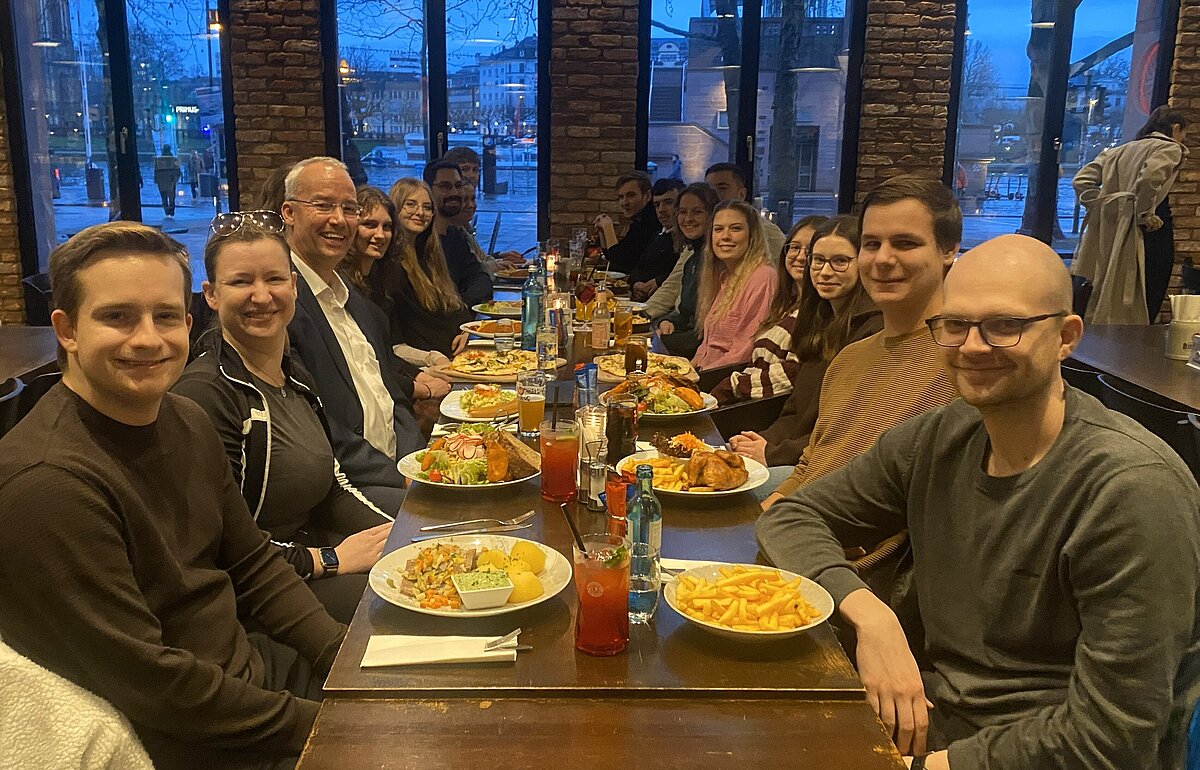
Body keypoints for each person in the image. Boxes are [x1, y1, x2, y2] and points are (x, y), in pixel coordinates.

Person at [756, 234, 1200, 770]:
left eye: (1005, 325)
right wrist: (871, 616)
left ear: (1066, 336)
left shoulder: (1131, 490)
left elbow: (1112, 738)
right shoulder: (941, 437)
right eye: (955, 324)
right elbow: (791, 515)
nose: (971, 346)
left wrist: (928, 766)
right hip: (924, 719)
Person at [0, 221, 345, 770]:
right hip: (192, 739)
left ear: (189, 323)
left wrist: (343, 657)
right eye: (117, 316)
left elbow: (253, 563)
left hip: (248, 678)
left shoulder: (183, 417)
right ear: (65, 329)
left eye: (164, 316)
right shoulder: (48, 483)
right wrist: (331, 726)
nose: (147, 339)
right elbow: (154, 686)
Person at [173, 212, 393, 624]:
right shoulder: (205, 394)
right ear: (211, 295)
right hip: (260, 592)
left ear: (293, 286)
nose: (261, 295)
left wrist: (399, 536)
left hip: (312, 556)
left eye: (274, 279)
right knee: (408, 607)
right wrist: (326, 559)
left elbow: (333, 484)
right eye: (241, 282)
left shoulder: (293, 373)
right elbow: (219, 547)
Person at [757, 174, 961, 510]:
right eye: (871, 244)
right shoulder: (849, 358)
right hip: (794, 529)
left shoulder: (962, 364)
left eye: (905, 243)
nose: (882, 259)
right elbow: (813, 463)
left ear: (949, 250)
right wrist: (771, 512)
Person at [282, 156, 423, 514]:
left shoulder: (359, 304)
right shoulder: (282, 307)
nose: (338, 220)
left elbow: (394, 397)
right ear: (288, 212)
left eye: (349, 208)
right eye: (323, 205)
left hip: (396, 472)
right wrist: (398, 476)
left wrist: (415, 462)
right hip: (343, 489)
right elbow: (318, 427)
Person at [726, 216, 882, 466]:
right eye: (818, 261)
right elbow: (796, 410)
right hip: (792, 454)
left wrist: (771, 454)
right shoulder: (818, 320)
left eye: (840, 261)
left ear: (863, 262)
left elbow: (847, 432)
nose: (825, 272)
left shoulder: (873, 329)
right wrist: (760, 441)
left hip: (826, 465)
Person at [1072, 105, 1190, 324]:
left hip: (1112, 228)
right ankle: (1133, 346)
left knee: (1108, 287)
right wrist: (1144, 214)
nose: (1184, 139)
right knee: (1146, 291)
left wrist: (1104, 204)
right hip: (1147, 230)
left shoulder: (1119, 150)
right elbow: (1149, 178)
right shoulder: (1170, 148)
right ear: (1175, 129)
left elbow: (1081, 180)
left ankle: (1101, 346)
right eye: (1184, 134)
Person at [710, 214, 827, 405]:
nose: (800, 256)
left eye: (811, 251)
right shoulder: (785, 304)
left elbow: (793, 373)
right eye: (795, 247)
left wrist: (730, 386)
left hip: (763, 410)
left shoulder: (819, 312)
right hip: (743, 398)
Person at [374, 177, 474, 360]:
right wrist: (432, 359)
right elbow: (396, 340)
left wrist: (466, 329)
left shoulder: (430, 256)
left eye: (427, 207)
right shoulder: (388, 264)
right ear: (394, 209)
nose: (420, 213)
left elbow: (453, 308)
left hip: (455, 357)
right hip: (425, 365)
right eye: (410, 205)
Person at [690, 199, 778, 370]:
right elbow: (707, 347)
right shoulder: (724, 276)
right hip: (705, 373)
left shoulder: (763, 276)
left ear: (752, 236)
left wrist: (698, 379)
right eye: (718, 229)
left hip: (726, 380)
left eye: (736, 228)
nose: (725, 236)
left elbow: (743, 352)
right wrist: (684, 370)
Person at [649, 183, 720, 359]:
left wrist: (665, 343)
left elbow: (707, 330)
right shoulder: (692, 259)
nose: (688, 219)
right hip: (685, 341)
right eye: (682, 212)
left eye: (697, 212)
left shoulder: (719, 262)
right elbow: (684, 313)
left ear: (712, 215)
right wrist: (667, 321)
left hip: (701, 351)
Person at [422, 160, 494, 307]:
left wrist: (462, 306)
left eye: (458, 186)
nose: (454, 192)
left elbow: (481, 278)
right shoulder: (421, 240)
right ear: (428, 190)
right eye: (445, 186)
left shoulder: (455, 235)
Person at [704, 162, 786, 258]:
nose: (713, 194)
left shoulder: (766, 231)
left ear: (742, 194)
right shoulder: (702, 226)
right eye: (708, 189)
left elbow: (779, 269)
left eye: (722, 188)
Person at [593, 170, 661, 275]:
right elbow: (613, 255)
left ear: (647, 196)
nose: (624, 202)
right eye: (621, 197)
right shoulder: (638, 220)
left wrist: (608, 228)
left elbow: (620, 261)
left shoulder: (652, 221)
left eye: (630, 195)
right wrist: (603, 233)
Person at [630, 177, 687, 300]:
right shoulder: (656, 235)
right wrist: (636, 284)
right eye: (657, 205)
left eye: (668, 202)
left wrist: (658, 281)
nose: (661, 210)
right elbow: (637, 268)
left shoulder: (688, 239)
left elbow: (683, 274)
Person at [339, 185, 393, 297]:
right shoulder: (338, 284)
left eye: (387, 226)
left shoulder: (385, 277)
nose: (380, 235)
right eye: (369, 224)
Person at [154, 144, 181, 218]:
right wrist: (175, 180)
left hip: (162, 182)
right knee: (171, 197)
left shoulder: (159, 160)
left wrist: (156, 180)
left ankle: (167, 211)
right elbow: (178, 172)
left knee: (164, 197)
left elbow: (156, 172)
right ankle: (171, 211)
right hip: (170, 181)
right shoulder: (173, 160)